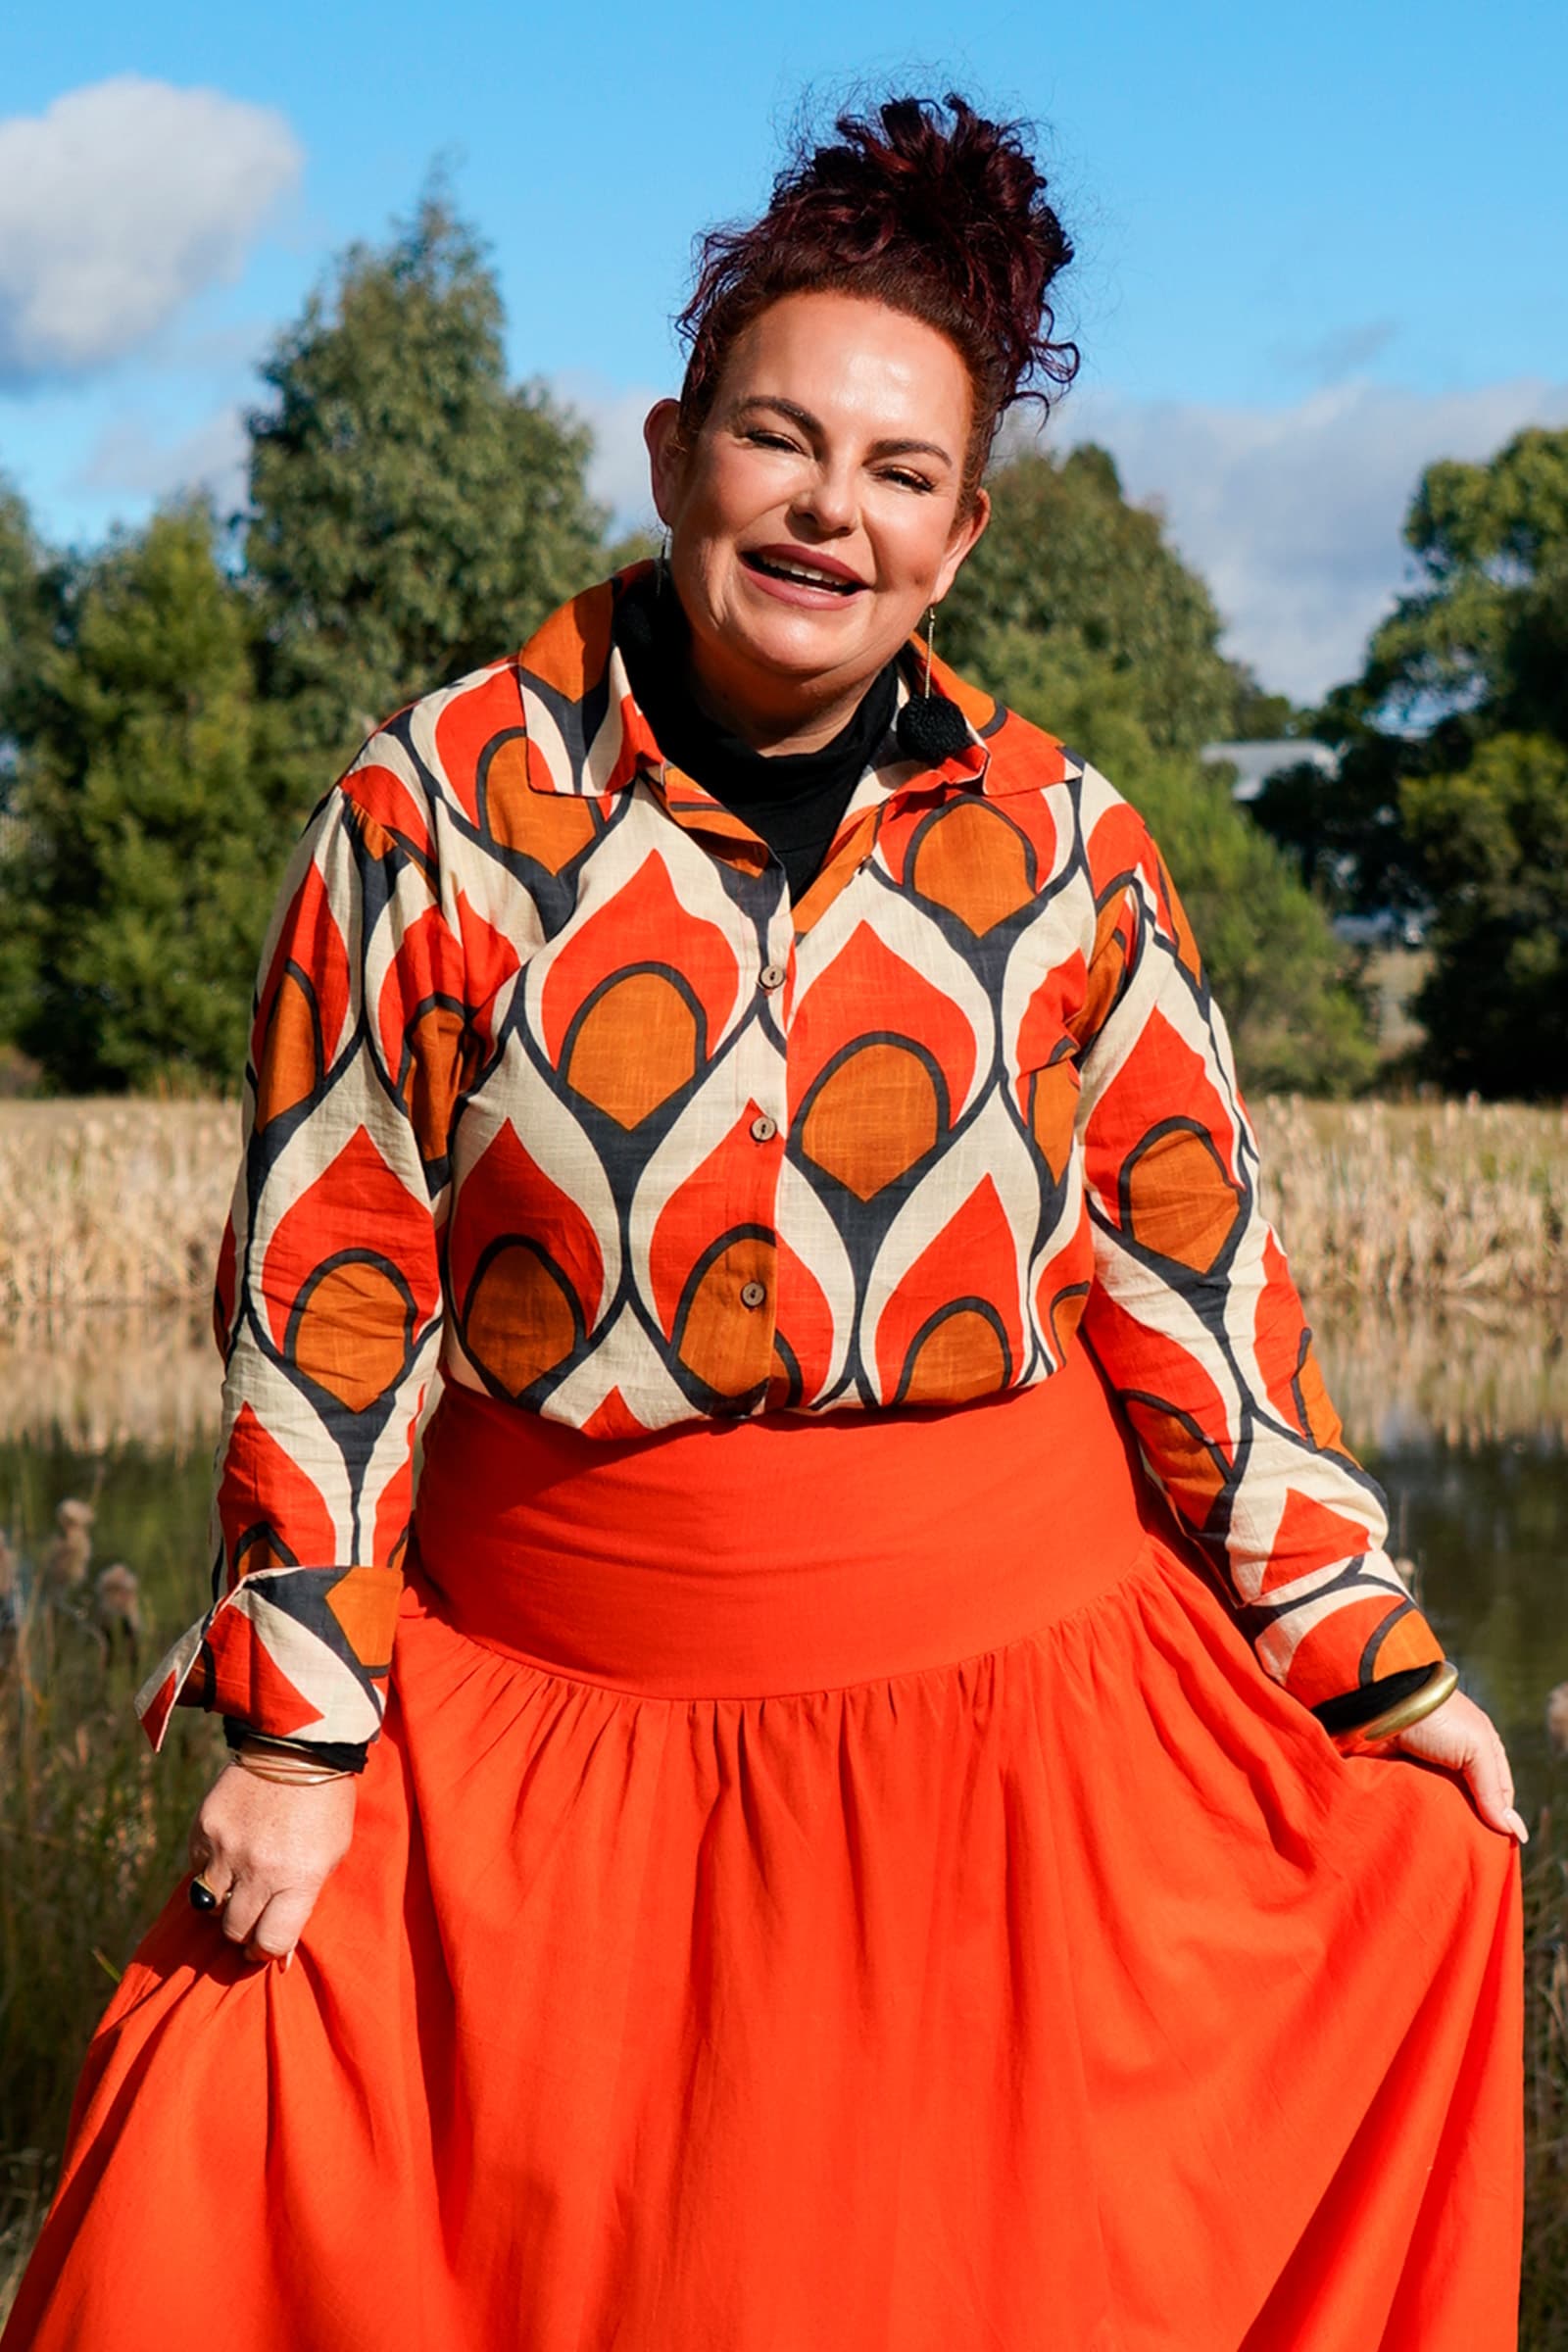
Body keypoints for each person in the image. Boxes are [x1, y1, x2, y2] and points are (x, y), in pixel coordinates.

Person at [5, 92, 1524, 2352]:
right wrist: (297, 1735)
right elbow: (330, 1290)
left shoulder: (1068, 849)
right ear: (671, 451)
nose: (830, 508)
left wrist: (1369, 1661)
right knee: (213, 2172)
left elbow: (1199, 1295)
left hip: (1010, 1756)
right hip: (551, 1743)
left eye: (899, 473)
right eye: (778, 441)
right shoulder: (434, 813)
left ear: (960, 535)